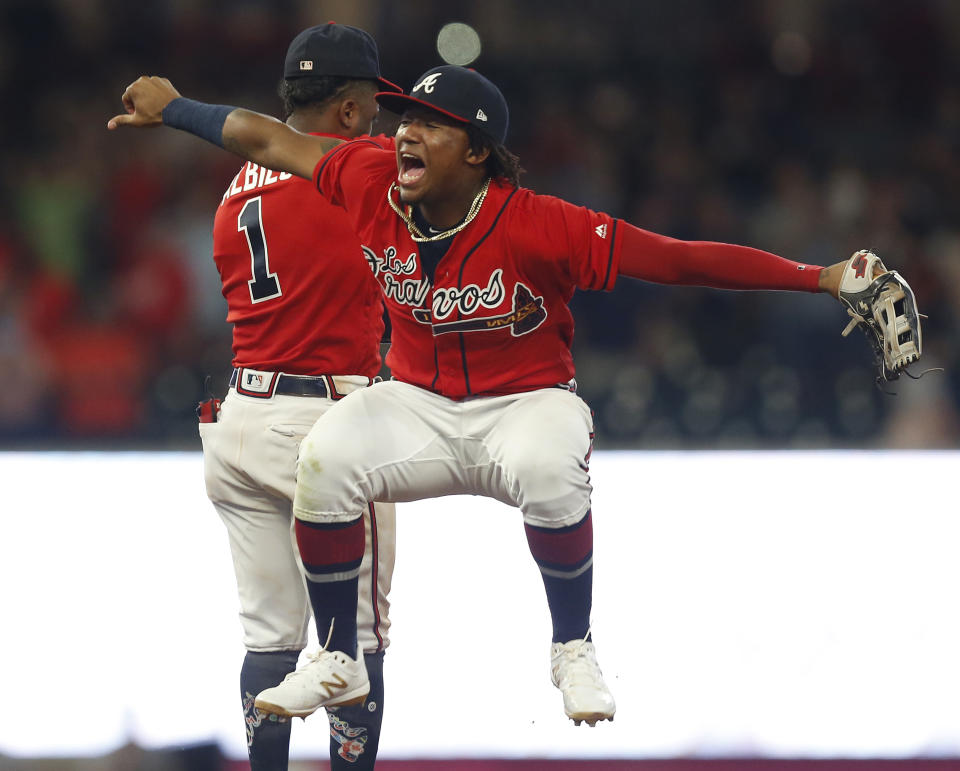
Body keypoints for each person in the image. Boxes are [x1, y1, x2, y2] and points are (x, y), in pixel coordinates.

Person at [108, 63, 859, 729]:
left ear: (475, 151)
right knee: (325, 454)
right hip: (416, 403)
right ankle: (339, 656)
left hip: (522, 402)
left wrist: (818, 276)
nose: (403, 134)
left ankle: (572, 646)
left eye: (430, 126)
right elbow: (266, 140)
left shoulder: (539, 222)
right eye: (404, 119)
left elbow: (674, 260)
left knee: (550, 464)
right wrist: (177, 107)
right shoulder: (367, 179)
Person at [187, 23, 399, 770]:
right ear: (345, 111)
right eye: (370, 103)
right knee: (356, 645)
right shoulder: (358, 166)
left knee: (269, 639)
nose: (378, 120)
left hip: (241, 418)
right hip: (326, 421)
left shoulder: (236, 186)